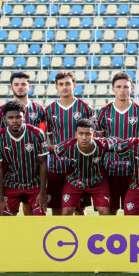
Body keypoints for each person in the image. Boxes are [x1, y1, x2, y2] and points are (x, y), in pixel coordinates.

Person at [96, 72, 139, 215]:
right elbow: (99, 142)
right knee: (109, 211)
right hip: (109, 170)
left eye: (126, 87)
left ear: (132, 89)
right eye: (118, 87)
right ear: (113, 89)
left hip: (133, 171)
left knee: (132, 212)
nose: (122, 90)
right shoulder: (103, 112)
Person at [44, 71, 95, 216]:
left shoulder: (85, 108)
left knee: (80, 208)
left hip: (80, 165)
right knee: (56, 207)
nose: (64, 87)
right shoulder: (49, 110)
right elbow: (49, 136)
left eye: (68, 83)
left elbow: (93, 136)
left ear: (74, 86)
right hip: (57, 166)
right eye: (61, 84)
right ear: (56, 87)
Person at [0, 100, 49, 216]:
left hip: (34, 185)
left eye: (18, 117)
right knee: (4, 219)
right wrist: (1, 199)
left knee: (40, 218)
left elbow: (43, 163)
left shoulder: (37, 134)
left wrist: (42, 192)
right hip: (11, 185)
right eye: (10, 118)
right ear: (5, 119)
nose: (14, 120)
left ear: (24, 116)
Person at [55, 119, 116, 216]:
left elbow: (116, 140)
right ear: (76, 135)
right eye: (80, 134)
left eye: (88, 134)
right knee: (66, 212)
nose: (84, 137)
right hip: (74, 180)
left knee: (105, 212)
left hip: (98, 180)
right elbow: (51, 149)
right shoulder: (68, 146)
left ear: (94, 135)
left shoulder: (102, 144)